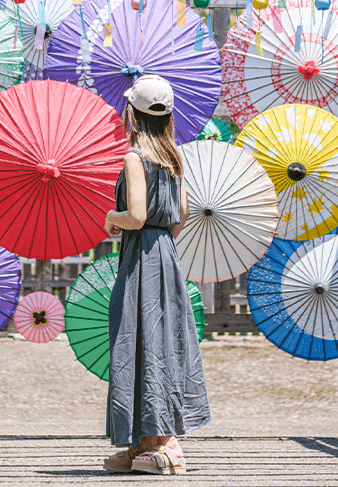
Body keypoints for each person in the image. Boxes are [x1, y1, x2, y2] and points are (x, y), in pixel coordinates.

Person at [100, 75, 210, 476]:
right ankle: (141, 442)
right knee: (162, 341)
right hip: (168, 255)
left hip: (140, 258)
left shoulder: (134, 158)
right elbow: (180, 217)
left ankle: (161, 443)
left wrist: (112, 218)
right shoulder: (175, 157)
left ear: (132, 113)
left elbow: (136, 216)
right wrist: (160, 239)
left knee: (136, 339)